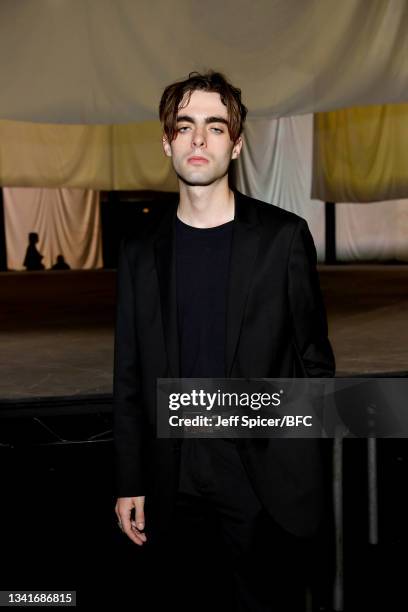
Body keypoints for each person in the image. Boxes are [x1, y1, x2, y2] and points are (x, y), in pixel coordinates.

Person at [113, 70, 335, 611]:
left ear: (235, 145)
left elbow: (316, 370)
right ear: (167, 141)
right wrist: (130, 479)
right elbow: (129, 376)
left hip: (263, 488)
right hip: (173, 485)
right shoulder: (141, 253)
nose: (198, 140)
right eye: (185, 127)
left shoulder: (284, 239)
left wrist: (299, 472)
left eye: (215, 127)